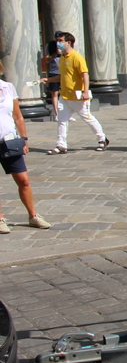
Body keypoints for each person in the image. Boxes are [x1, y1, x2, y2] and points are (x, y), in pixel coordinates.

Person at [0, 59, 51, 234]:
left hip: (9, 141)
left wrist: (24, 139)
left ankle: (33, 215)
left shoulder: (7, 87)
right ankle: (0, 219)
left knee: (24, 180)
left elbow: (18, 116)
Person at [46, 32, 109, 155]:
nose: (58, 43)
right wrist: (48, 80)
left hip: (77, 96)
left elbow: (84, 74)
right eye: (58, 40)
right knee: (62, 120)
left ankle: (102, 139)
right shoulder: (62, 58)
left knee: (87, 118)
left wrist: (85, 91)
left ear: (68, 42)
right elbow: (63, 76)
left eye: (60, 40)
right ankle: (61, 145)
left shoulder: (76, 57)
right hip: (64, 95)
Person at [38, 39, 62, 117]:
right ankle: (57, 113)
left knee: (64, 92)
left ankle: (65, 112)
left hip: (64, 73)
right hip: (54, 72)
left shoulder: (65, 47)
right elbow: (47, 60)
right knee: (55, 93)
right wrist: (54, 54)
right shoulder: (50, 46)